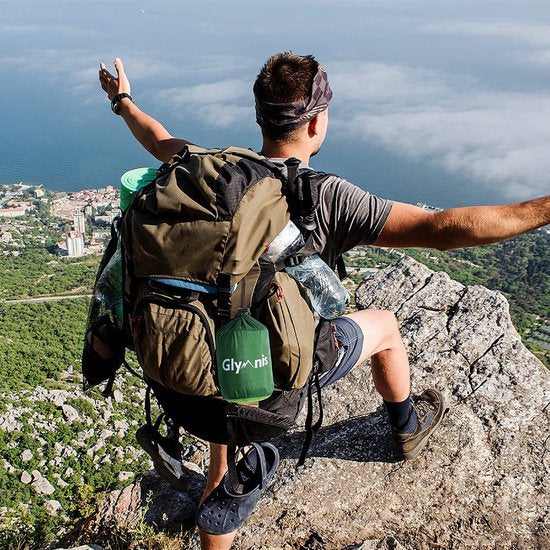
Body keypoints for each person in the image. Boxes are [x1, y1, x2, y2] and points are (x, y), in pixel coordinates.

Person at [99, 53, 550, 550]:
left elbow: (157, 139)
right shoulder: (326, 198)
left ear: (260, 116)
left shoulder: (206, 173)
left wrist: (122, 100)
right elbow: (442, 229)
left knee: (225, 408)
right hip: (271, 387)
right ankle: (405, 427)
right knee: (384, 327)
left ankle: (218, 500)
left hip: (194, 371)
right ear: (317, 122)